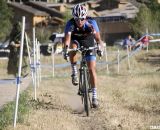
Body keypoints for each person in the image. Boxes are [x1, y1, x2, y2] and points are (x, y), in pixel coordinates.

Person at [63, 4, 104, 108]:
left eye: (82, 19)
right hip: (75, 40)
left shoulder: (92, 22)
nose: (79, 21)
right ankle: (74, 72)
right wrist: (66, 49)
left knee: (91, 69)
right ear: (74, 18)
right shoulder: (70, 24)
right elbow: (67, 39)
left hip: (88, 41)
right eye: (77, 19)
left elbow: (98, 39)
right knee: (72, 47)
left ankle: (94, 96)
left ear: (85, 17)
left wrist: (100, 47)